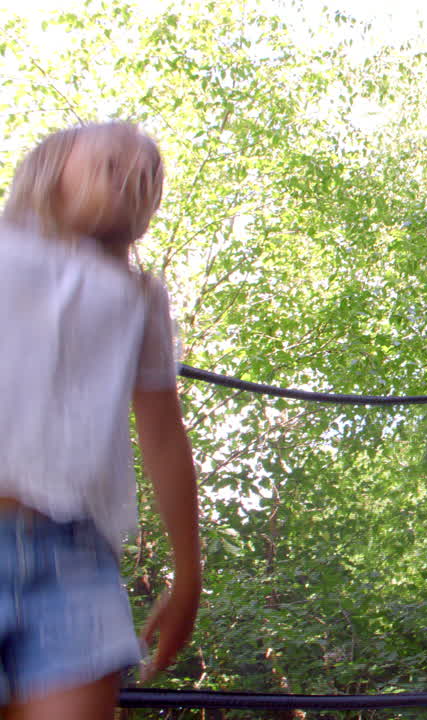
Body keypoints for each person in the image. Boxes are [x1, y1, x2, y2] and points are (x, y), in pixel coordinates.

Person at [0, 122, 201, 719]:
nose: (136, 165)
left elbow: (164, 435)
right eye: (114, 155)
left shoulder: (139, 297)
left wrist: (188, 572)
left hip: (74, 561)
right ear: (49, 165)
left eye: (150, 174)